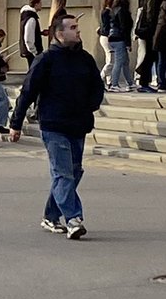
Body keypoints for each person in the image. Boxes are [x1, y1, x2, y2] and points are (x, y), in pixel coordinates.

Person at [10, 13, 104, 239]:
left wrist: (90, 105)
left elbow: (97, 86)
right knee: (63, 173)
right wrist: (16, 123)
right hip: (54, 124)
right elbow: (28, 92)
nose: (78, 31)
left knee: (74, 172)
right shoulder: (46, 60)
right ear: (59, 33)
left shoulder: (85, 59)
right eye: (72, 27)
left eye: (77, 27)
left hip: (78, 124)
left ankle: (51, 215)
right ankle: (73, 219)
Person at [134, 0, 166, 91]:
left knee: (151, 56)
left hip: (149, 30)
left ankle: (144, 77)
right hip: (150, 31)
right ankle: (143, 80)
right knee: (150, 56)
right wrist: (154, 29)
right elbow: (150, 15)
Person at [107, 0, 135, 91]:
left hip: (113, 37)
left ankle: (130, 83)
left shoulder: (114, 9)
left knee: (125, 61)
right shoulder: (122, 10)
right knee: (119, 61)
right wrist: (128, 43)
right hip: (119, 38)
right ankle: (114, 84)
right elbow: (125, 28)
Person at [97, 0, 117, 86]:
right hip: (107, 36)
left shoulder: (104, 11)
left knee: (109, 59)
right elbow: (106, 26)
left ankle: (109, 81)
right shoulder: (108, 12)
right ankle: (100, 77)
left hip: (104, 36)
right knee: (111, 61)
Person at [19, 0, 43, 67]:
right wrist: (35, 52)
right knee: (34, 71)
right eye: (40, 3)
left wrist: (40, 33)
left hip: (29, 51)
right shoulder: (31, 18)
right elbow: (28, 38)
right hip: (32, 52)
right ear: (36, 4)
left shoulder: (26, 16)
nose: (42, 5)